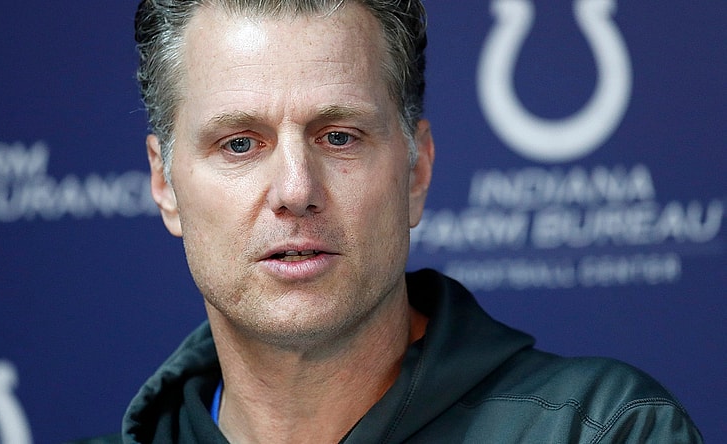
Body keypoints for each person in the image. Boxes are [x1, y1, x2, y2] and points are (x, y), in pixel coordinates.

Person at [108, 0, 702, 442]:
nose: (295, 190)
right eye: (240, 144)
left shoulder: (600, 431)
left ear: (416, 171)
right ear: (165, 184)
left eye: (339, 137)